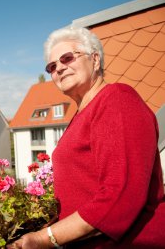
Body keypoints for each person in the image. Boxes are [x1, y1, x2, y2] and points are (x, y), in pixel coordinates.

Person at [9, 27, 165, 248]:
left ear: (95, 59)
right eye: (52, 66)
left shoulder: (117, 100)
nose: (59, 68)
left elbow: (120, 196)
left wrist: (45, 238)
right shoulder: (82, 114)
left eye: (67, 58)